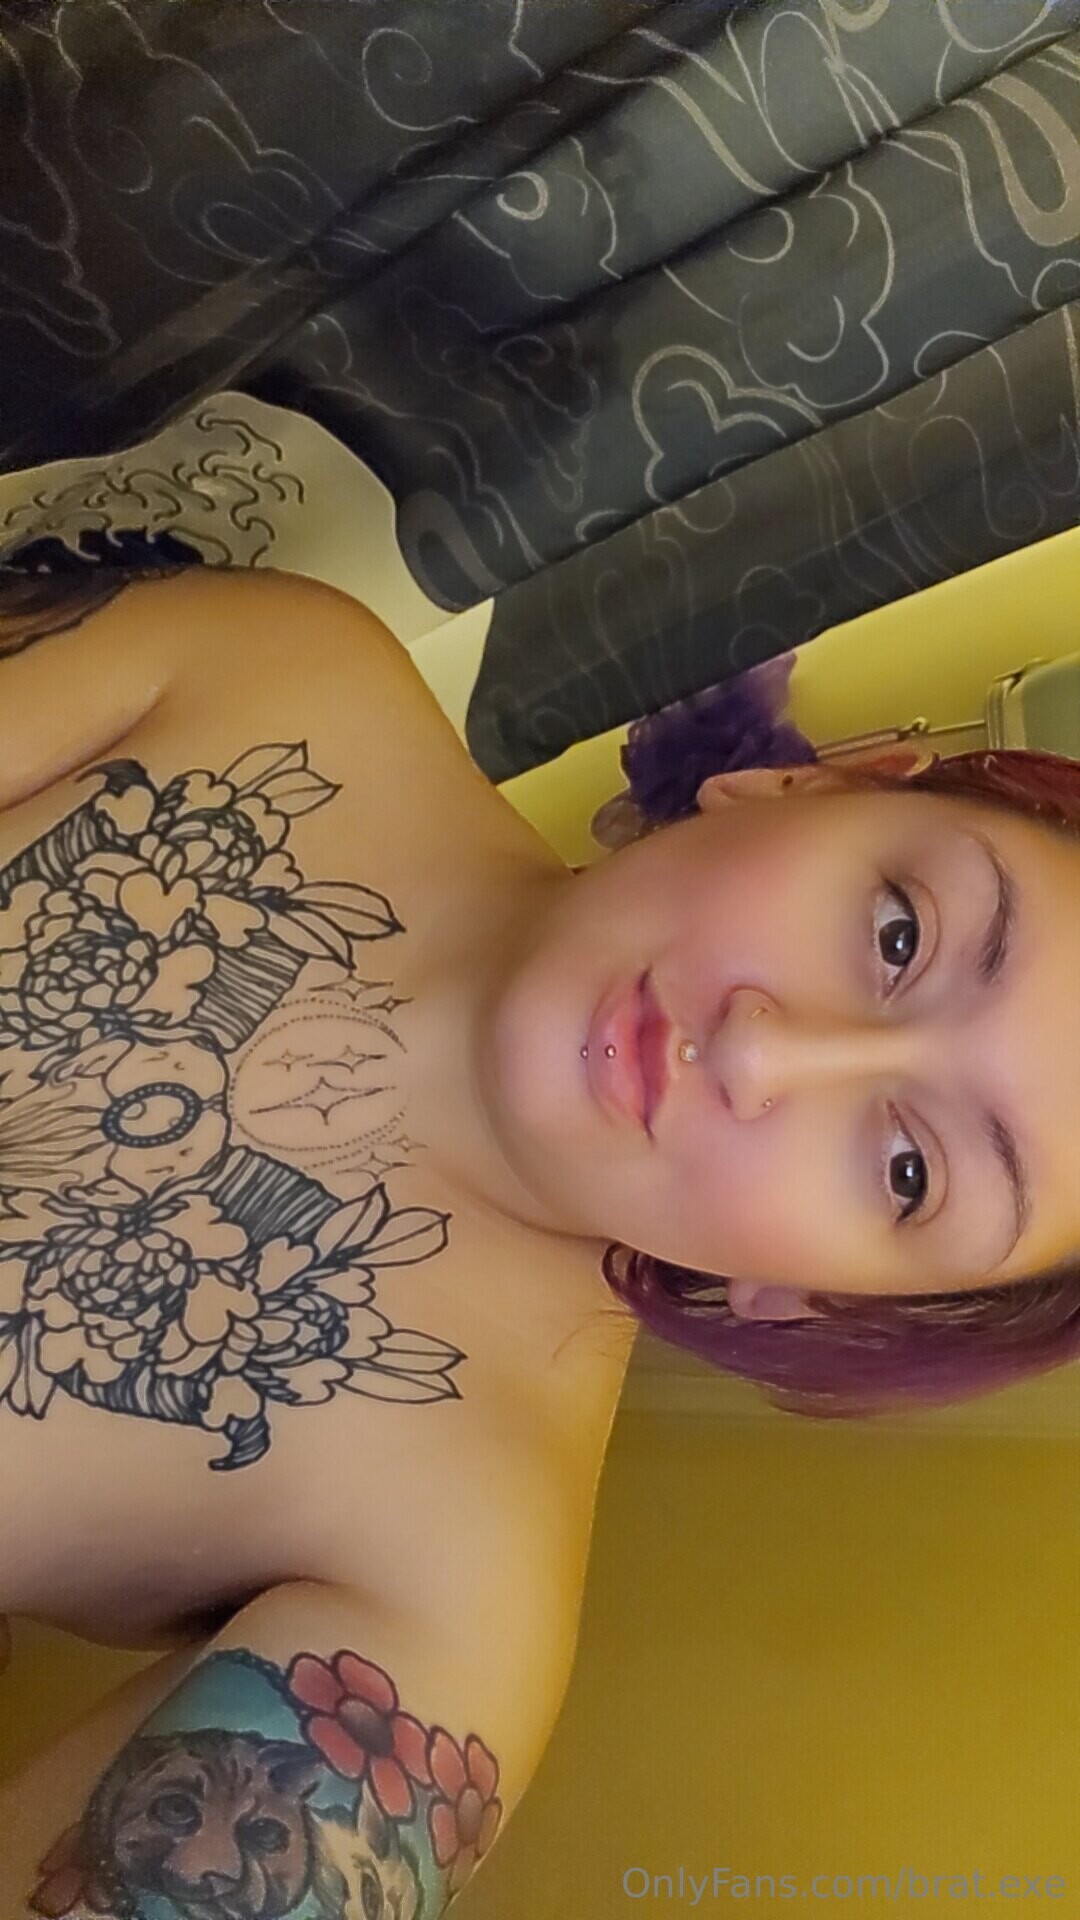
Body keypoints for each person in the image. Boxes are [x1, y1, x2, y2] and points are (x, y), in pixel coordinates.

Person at [1, 562, 1077, 1916]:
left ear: (806, 1295)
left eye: (909, 1170)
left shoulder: (446, 1606)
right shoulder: (282, 669)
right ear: (806, 788)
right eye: (898, 933)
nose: (764, 1050)